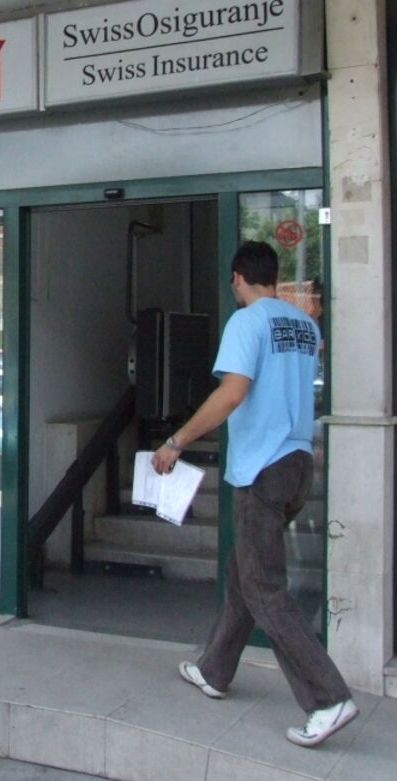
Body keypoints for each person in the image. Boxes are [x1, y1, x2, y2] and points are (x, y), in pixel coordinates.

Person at [152, 241, 356, 748]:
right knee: (244, 573)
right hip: (297, 463)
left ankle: (328, 697)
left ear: (238, 278)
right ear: (274, 276)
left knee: (264, 586)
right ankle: (214, 670)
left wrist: (176, 441)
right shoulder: (304, 325)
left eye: (233, 281)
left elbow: (232, 393)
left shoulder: (247, 322)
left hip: (263, 468)